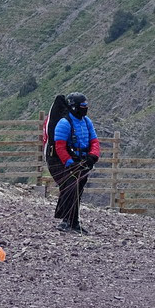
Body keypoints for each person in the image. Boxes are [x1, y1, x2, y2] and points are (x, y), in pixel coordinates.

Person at [46, 92, 100, 234]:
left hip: (83, 161)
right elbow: (60, 147)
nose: (85, 108)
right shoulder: (64, 123)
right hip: (69, 162)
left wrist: (92, 156)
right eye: (82, 106)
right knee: (71, 188)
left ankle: (73, 222)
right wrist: (69, 163)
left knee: (78, 190)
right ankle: (67, 221)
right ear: (75, 107)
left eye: (86, 106)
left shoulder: (87, 121)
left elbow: (94, 141)